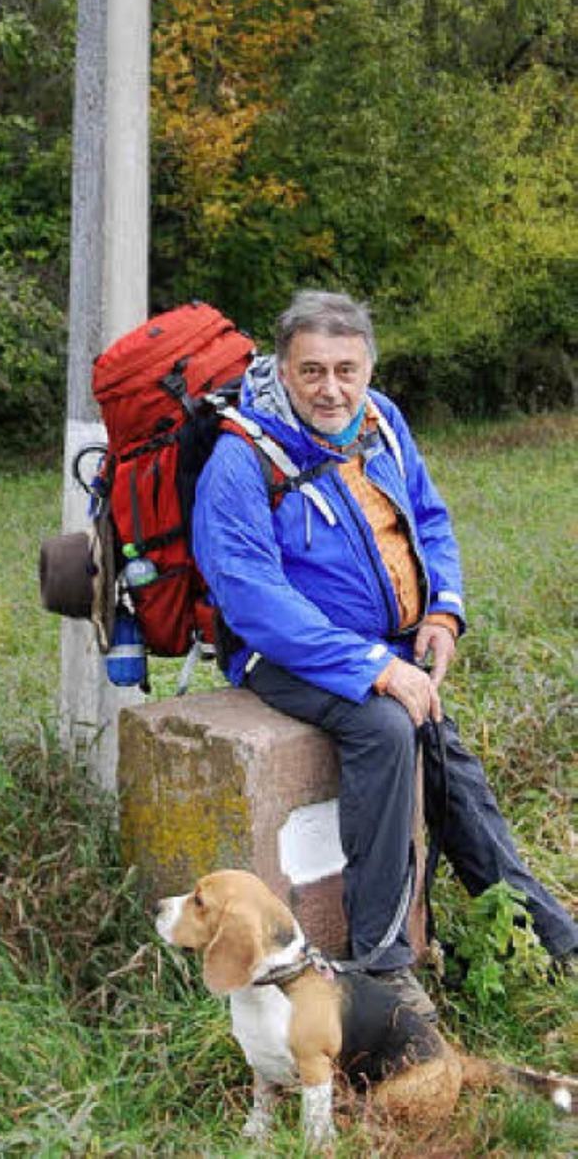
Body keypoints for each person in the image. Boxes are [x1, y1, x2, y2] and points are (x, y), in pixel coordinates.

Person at [192, 288, 577, 1013]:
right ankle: (380, 966)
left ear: (368, 366)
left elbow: (427, 517)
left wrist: (442, 610)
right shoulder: (240, 461)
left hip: (385, 646)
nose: (331, 388)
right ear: (283, 367)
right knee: (386, 727)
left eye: (347, 368)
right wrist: (374, 668)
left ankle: (540, 932)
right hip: (276, 655)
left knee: (442, 752)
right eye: (312, 371)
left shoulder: (381, 422)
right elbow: (252, 600)